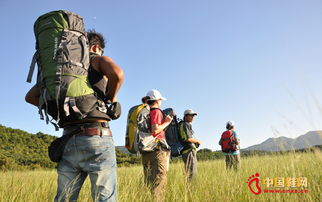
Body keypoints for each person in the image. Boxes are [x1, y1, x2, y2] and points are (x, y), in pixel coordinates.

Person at [25, 30, 124, 201]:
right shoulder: (95, 59)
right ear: (95, 47)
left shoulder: (59, 70)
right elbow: (117, 74)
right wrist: (111, 99)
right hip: (97, 137)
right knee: (105, 197)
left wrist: (60, 112)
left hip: (68, 139)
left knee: (64, 197)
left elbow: (30, 97)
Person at [141, 89, 172, 201]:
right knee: (158, 183)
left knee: (149, 182)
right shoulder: (156, 111)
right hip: (157, 151)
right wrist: (167, 122)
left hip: (146, 150)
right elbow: (155, 130)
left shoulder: (145, 113)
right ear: (158, 100)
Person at [179, 109, 201, 181]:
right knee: (192, 172)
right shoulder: (185, 124)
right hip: (188, 151)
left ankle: (190, 189)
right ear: (186, 116)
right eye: (191, 115)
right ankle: (191, 190)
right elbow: (186, 139)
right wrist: (198, 141)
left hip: (187, 151)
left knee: (190, 171)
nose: (193, 117)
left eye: (193, 116)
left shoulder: (183, 124)